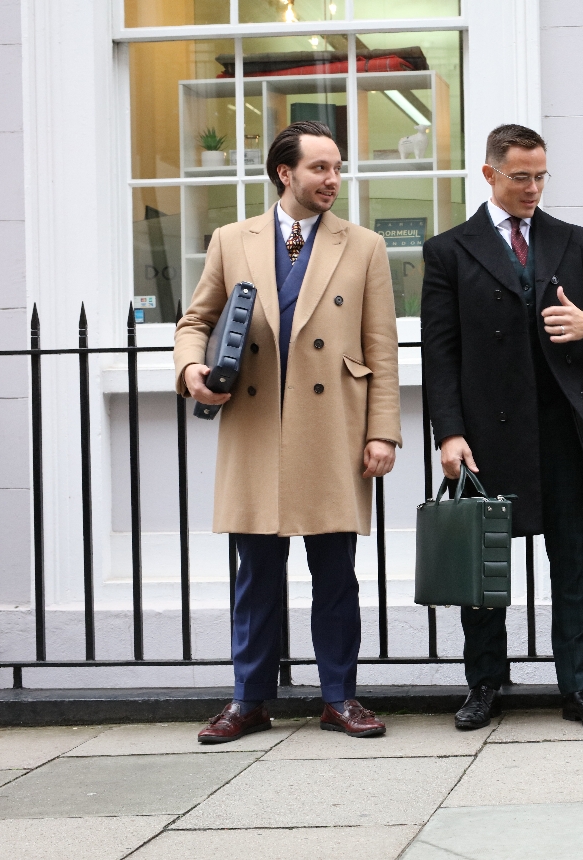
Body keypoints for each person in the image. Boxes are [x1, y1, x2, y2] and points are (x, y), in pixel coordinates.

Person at [176, 121, 401, 743]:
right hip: (257, 425)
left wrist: (382, 432)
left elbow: (382, 347)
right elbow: (194, 321)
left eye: (337, 168)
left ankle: (340, 697)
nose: (333, 180)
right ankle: (248, 700)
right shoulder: (232, 239)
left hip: (333, 428)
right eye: (320, 168)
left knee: (336, 574)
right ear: (285, 173)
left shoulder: (365, 246)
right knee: (256, 576)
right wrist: (192, 368)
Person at [421, 124, 583, 731]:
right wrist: (449, 433)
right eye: (521, 177)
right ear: (490, 174)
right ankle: (485, 684)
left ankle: (581, 688)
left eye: (541, 176)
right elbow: (440, 352)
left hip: (563, 431)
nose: (534, 188)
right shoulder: (448, 250)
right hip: (486, 434)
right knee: (482, 574)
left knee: (574, 569)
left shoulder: (572, 240)